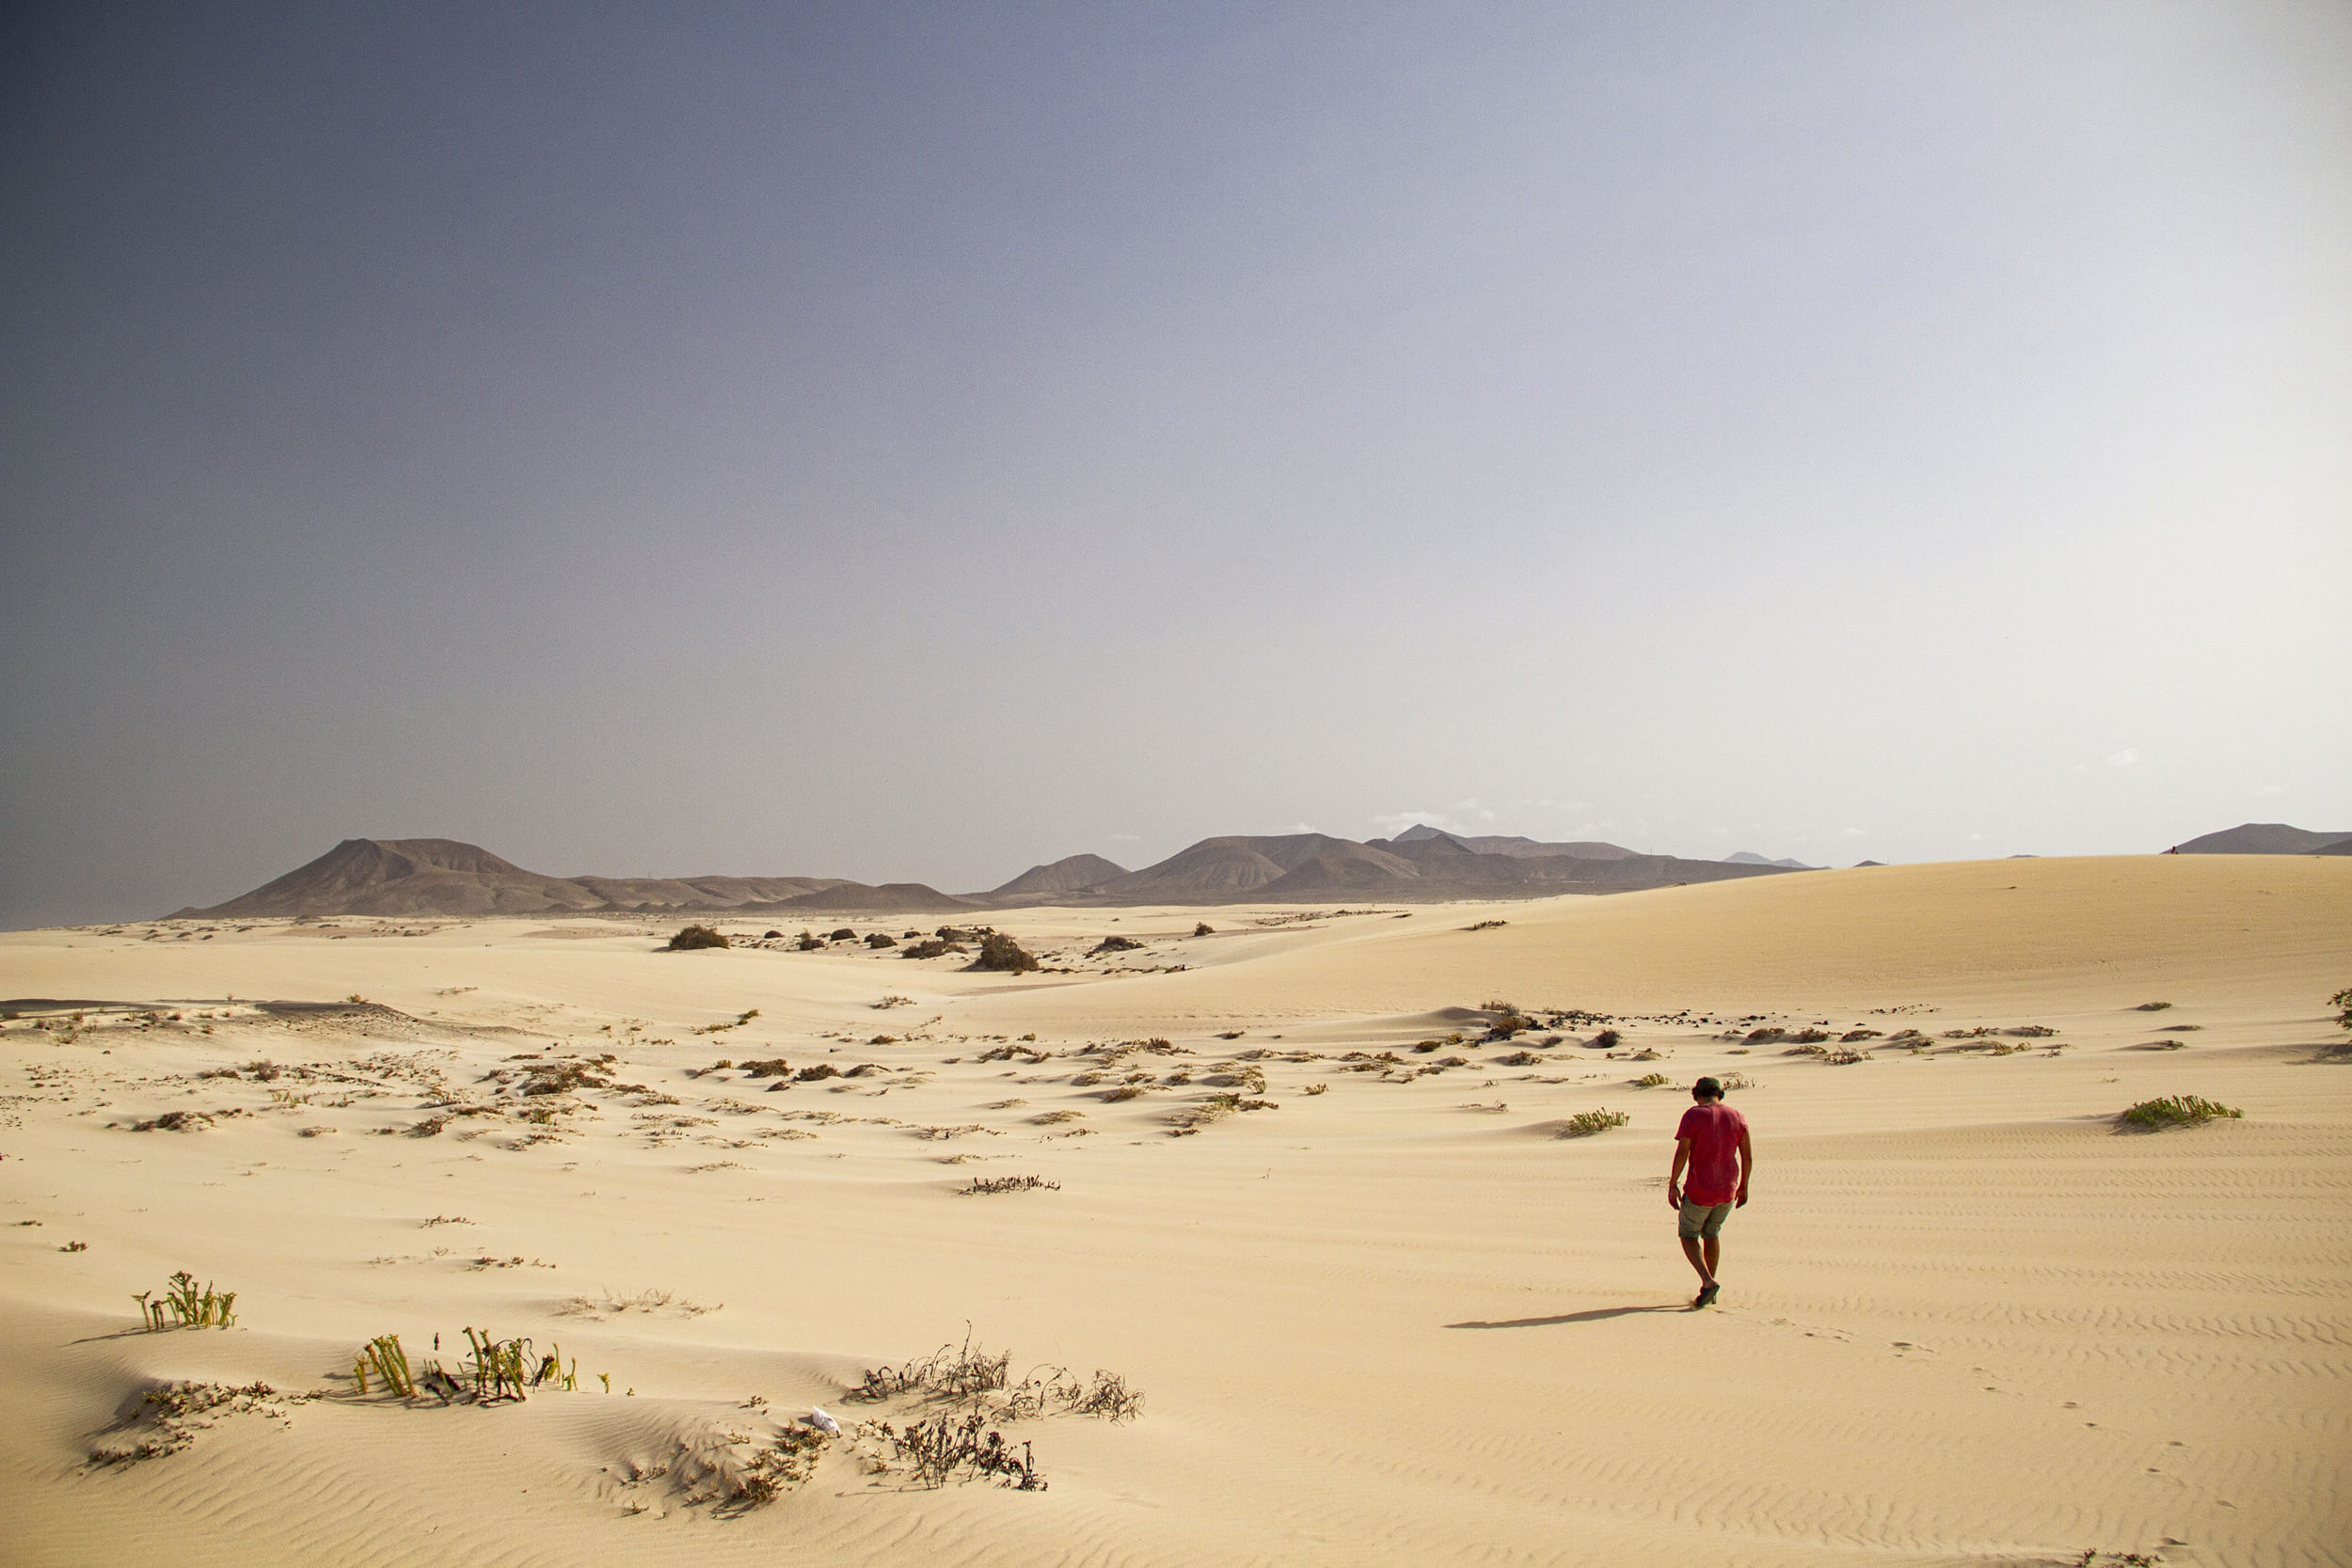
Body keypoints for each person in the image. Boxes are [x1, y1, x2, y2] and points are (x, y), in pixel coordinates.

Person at [1666, 1076, 1751, 1307]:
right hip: (1728, 1189)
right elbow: (1746, 1155)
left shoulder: (1693, 1115)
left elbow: (1683, 1150)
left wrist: (1673, 1183)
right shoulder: (1737, 1116)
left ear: (1696, 1095)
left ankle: (1708, 1281)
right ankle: (1709, 1287)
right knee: (1712, 1233)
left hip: (1701, 1188)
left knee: (1688, 1234)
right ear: (1720, 1094)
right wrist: (1744, 1186)